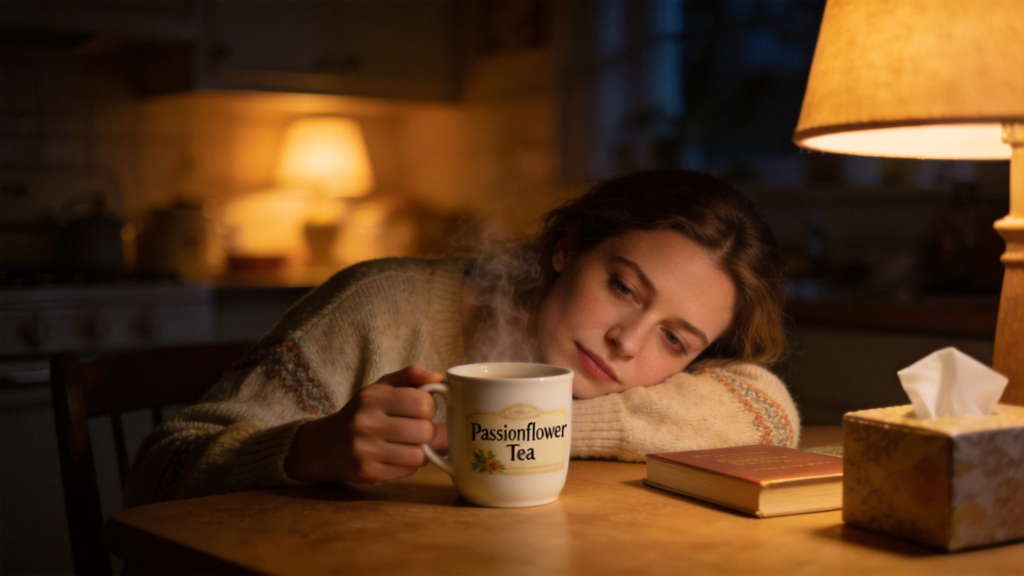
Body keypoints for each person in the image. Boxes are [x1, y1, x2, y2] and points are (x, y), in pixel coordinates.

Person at [124, 169, 800, 507]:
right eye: (624, 287)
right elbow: (158, 471)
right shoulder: (385, 305)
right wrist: (309, 448)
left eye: (675, 341)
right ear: (567, 247)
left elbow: (769, 413)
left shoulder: (632, 381)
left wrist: (525, 427)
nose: (628, 342)